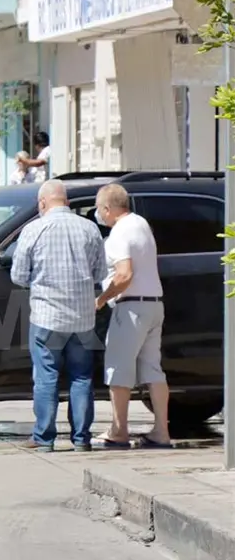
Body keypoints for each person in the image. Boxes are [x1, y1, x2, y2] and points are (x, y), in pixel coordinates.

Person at [10, 179, 107, 452]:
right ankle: (81, 439)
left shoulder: (34, 229)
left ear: (43, 203)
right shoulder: (90, 229)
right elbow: (100, 273)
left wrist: (38, 282)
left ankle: (44, 439)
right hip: (83, 318)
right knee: (82, 377)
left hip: (47, 317)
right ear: (65, 201)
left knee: (46, 377)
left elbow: (17, 275)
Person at [93, 184, 171, 448]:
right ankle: (161, 431)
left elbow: (124, 274)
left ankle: (119, 430)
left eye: (99, 210)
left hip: (131, 307)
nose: (99, 216)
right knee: (153, 369)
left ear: (108, 208)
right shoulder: (141, 224)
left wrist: (102, 300)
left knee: (118, 368)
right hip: (154, 305)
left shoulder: (118, 233)